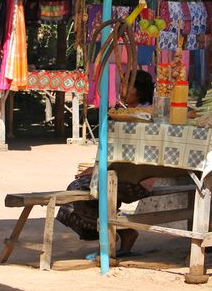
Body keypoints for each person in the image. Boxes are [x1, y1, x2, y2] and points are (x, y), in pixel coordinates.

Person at [56, 69, 155, 256]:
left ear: (140, 91)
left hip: (133, 179)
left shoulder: (145, 116)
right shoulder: (126, 114)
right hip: (117, 174)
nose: (122, 89)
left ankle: (122, 233)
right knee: (75, 194)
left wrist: (97, 170)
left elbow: (128, 157)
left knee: (76, 192)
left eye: (128, 85)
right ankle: (120, 233)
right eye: (122, 84)